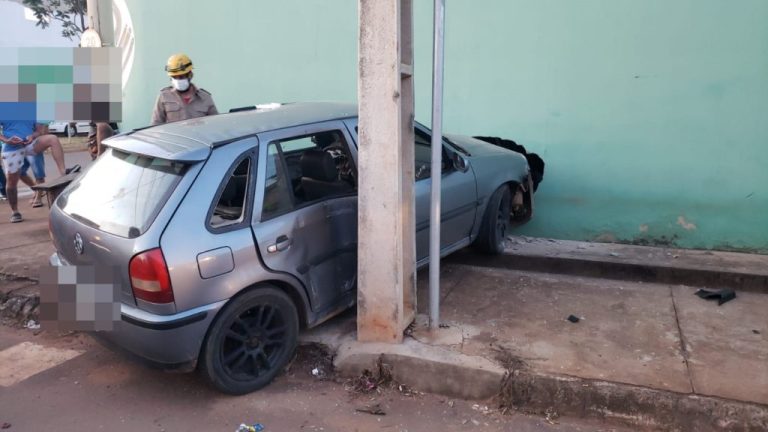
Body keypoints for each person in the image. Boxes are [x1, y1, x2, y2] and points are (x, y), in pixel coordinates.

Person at [0, 121, 73, 223]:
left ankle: (63, 171)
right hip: (11, 147)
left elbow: (39, 131)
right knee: (12, 181)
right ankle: (15, 211)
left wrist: (32, 136)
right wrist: (7, 140)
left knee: (53, 139)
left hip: (30, 144)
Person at [151, 53, 218, 125]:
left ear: (190, 75)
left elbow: (215, 125)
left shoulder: (205, 97)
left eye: (181, 77)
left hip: (197, 135)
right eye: (174, 77)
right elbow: (156, 125)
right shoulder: (164, 96)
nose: (178, 80)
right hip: (174, 136)